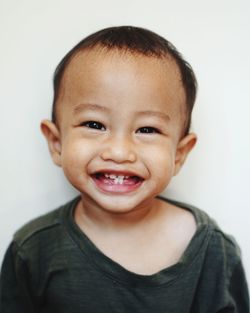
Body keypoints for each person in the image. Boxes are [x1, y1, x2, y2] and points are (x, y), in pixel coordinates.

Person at [0, 26, 249, 313]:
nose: (119, 152)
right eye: (94, 125)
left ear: (179, 154)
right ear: (56, 143)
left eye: (147, 129)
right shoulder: (33, 251)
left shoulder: (212, 253)